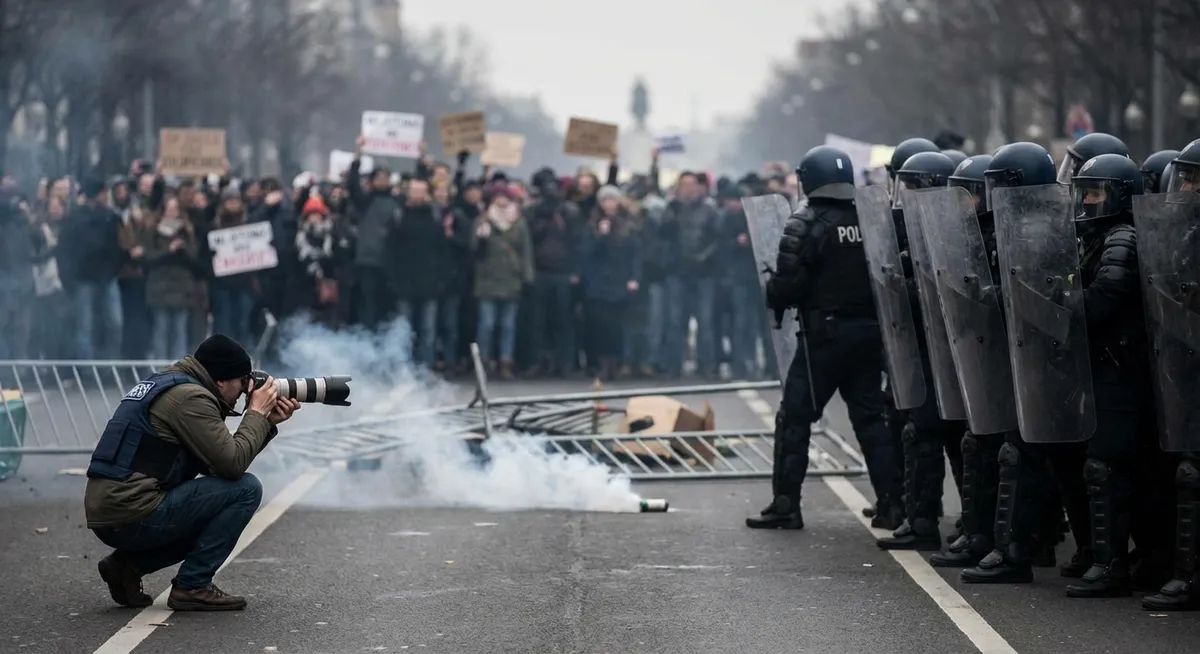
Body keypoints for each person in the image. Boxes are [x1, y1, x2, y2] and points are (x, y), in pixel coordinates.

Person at [84, 334, 301, 611]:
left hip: (114, 508)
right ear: (221, 380)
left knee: (218, 502)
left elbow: (215, 464)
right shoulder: (191, 398)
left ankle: (126, 566)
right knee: (246, 490)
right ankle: (193, 584)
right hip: (130, 511)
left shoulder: (175, 383)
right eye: (241, 381)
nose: (245, 390)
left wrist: (266, 423)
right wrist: (256, 414)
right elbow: (231, 465)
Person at [746, 145, 901, 530]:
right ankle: (893, 505)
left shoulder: (806, 222)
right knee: (870, 421)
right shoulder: (872, 220)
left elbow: (788, 285)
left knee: (795, 419)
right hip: (868, 335)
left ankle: (786, 505)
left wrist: (773, 291)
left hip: (824, 338)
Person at [876, 150, 968, 551]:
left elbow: (940, 293)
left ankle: (951, 523)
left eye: (913, 187)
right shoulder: (916, 229)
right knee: (929, 435)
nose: (905, 196)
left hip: (954, 354)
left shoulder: (952, 234)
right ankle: (928, 520)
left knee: (948, 438)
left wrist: (902, 283)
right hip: (928, 351)